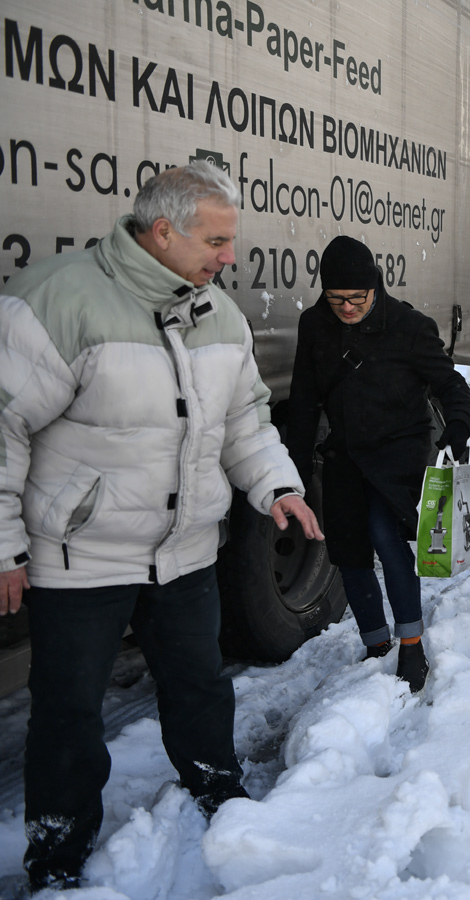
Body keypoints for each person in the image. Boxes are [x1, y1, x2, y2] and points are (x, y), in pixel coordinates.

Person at [0, 161, 321, 891]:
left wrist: (276, 485)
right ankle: (58, 849)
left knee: (200, 686)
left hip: (183, 553)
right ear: (163, 231)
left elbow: (244, 421)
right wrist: (4, 550)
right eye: (216, 240)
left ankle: (216, 785)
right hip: (80, 557)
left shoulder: (219, 314)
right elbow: (2, 426)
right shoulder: (58, 301)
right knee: (68, 714)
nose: (228, 258)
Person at [287, 236, 470, 690]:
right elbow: (302, 401)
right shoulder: (314, 326)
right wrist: (292, 471)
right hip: (347, 451)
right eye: (337, 299)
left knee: (383, 534)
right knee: (347, 549)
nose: (347, 308)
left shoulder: (408, 325)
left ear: (376, 287)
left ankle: (411, 646)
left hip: (400, 449)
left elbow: (448, 382)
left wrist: (459, 423)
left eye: (357, 298)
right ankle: (376, 645)